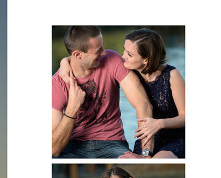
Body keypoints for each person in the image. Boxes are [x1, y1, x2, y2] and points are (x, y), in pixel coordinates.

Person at [59, 28, 185, 159]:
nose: (123, 56)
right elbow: (83, 56)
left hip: (175, 138)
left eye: (129, 54)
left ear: (146, 60)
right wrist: (64, 61)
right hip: (146, 138)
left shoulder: (172, 76)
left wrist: (159, 124)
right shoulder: (128, 70)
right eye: (124, 50)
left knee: (157, 160)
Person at [51, 26, 154, 158]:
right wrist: (72, 108)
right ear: (77, 55)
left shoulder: (112, 60)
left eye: (103, 47)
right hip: (72, 146)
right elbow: (53, 149)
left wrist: (146, 153)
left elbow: (143, 104)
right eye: (97, 51)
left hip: (112, 144)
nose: (104, 53)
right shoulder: (57, 83)